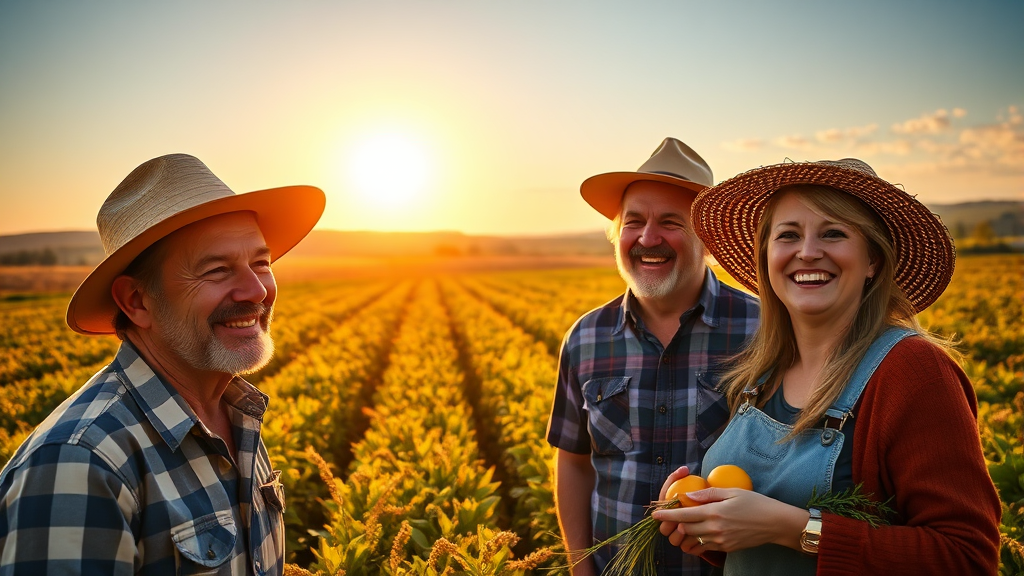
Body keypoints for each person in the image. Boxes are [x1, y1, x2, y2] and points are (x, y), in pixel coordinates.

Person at [652, 158, 1002, 575]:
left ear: (872, 259)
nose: (808, 252)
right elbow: (754, 548)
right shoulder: (761, 374)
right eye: (788, 235)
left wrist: (795, 529)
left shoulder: (915, 372)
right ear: (766, 256)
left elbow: (967, 557)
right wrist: (706, 528)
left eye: (833, 233)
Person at [0, 154, 325, 575]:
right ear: (136, 301)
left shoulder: (233, 414)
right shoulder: (79, 464)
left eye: (261, 263)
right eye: (216, 270)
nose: (256, 290)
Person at [546, 138, 760, 575]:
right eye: (633, 222)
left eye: (670, 222)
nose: (648, 238)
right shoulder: (585, 338)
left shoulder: (764, 330)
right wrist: (580, 568)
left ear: (710, 239)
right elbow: (573, 461)